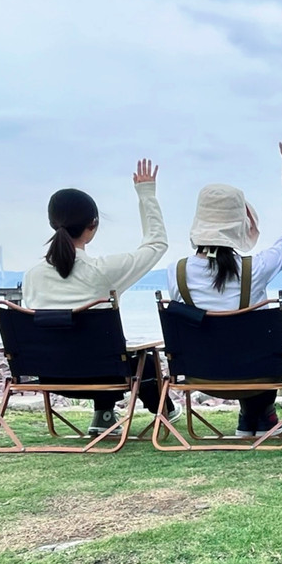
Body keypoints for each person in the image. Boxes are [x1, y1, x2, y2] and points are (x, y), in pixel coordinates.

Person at [22, 159, 179, 435]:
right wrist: (146, 194)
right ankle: (164, 411)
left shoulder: (31, 276)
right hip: (104, 375)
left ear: (52, 223)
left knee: (94, 348)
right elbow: (156, 244)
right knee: (143, 358)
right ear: (93, 225)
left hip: (50, 375)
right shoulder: (103, 272)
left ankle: (104, 415)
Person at [167, 143, 282, 437]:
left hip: (200, 376)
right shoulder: (256, 269)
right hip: (257, 378)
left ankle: (252, 418)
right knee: (266, 336)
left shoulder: (176, 272)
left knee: (235, 342)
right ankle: (261, 416)